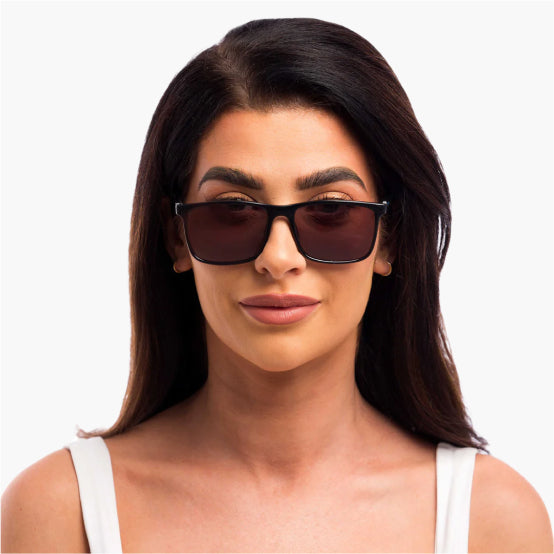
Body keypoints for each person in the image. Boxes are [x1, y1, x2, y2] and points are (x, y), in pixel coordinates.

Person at [2, 17, 552, 553]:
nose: (278, 258)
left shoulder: (490, 519)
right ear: (177, 239)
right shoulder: (61, 511)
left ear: (389, 240)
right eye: (232, 212)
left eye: (330, 212)